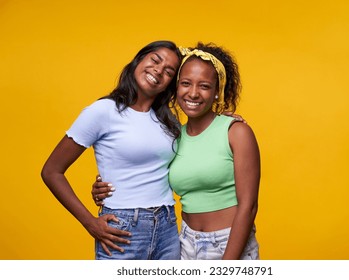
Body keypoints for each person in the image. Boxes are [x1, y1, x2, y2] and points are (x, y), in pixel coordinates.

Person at [92, 42, 261, 260]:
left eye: (204, 86)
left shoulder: (235, 132)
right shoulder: (172, 137)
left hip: (228, 243)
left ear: (217, 92)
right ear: (176, 87)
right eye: (186, 83)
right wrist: (105, 186)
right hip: (184, 243)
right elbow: (146, 173)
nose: (193, 93)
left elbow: (249, 207)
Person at [41, 40, 183, 260]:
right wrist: (89, 223)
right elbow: (51, 171)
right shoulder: (102, 111)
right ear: (138, 61)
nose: (158, 70)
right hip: (123, 227)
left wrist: (224, 120)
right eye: (155, 60)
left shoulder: (168, 121)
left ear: (169, 84)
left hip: (167, 225)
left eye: (169, 71)